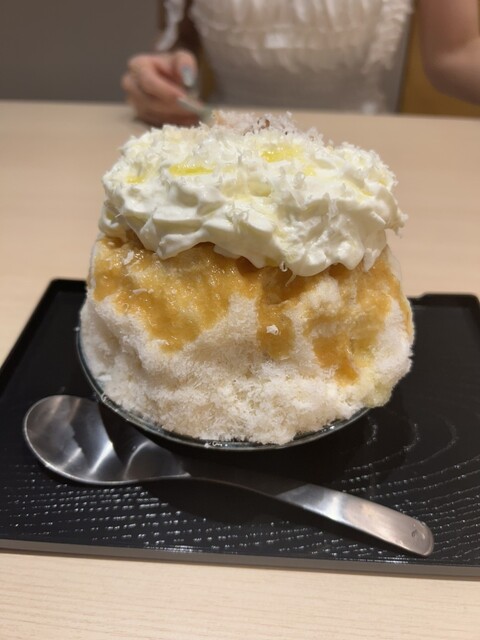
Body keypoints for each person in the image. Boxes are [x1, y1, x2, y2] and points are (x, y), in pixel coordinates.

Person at [121, 0, 480, 127]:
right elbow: (179, 38)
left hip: (365, 147)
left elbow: (455, 54)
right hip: (225, 144)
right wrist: (163, 78)